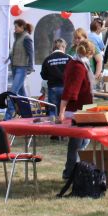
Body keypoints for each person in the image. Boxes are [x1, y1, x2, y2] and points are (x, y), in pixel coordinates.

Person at [57, 38, 95, 179]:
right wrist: (62, 111)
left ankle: (73, 171)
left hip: (83, 109)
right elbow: (70, 91)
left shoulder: (76, 63)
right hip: (78, 111)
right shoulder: (78, 67)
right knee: (77, 143)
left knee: (81, 142)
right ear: (89, 53)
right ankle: (70, 172)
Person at [5, 19, 34, 120]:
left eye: (16, 27)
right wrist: (9, 58)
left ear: (22, 27)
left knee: (13, 93)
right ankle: (28, 116)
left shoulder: (26, 38)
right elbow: (15, 51)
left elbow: (31, 53)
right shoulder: (17, 37)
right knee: (22, 94)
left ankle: (7, 118)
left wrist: (30, 67)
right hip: (14, 67)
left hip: (21, 69)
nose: (15, 29)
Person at [40, 39, 70, 117]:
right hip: (65, 87)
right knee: (65, 110)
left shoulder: (47, 59)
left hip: (52, 88)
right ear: (63, 47)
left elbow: (43, 76)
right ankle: (64, 128)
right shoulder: (68, 58)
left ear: (53, 47)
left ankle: (52, 128)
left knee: (53, 110)